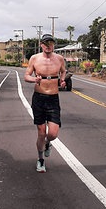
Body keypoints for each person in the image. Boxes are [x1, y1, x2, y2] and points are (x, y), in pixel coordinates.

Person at [24, 33, 67, 173]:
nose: (48, 46)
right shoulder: (34, 58)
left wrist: (62, 80)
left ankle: (48, 144)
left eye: (51, 43)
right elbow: (26, 76)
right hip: (39, 98)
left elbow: (63, 71)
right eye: (45, 43)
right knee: (41, 132)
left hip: (53, 99)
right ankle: (40, 159)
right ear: (41, 45)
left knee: (53, 134)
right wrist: (33, 80)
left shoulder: (59, 59)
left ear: (54, 45)